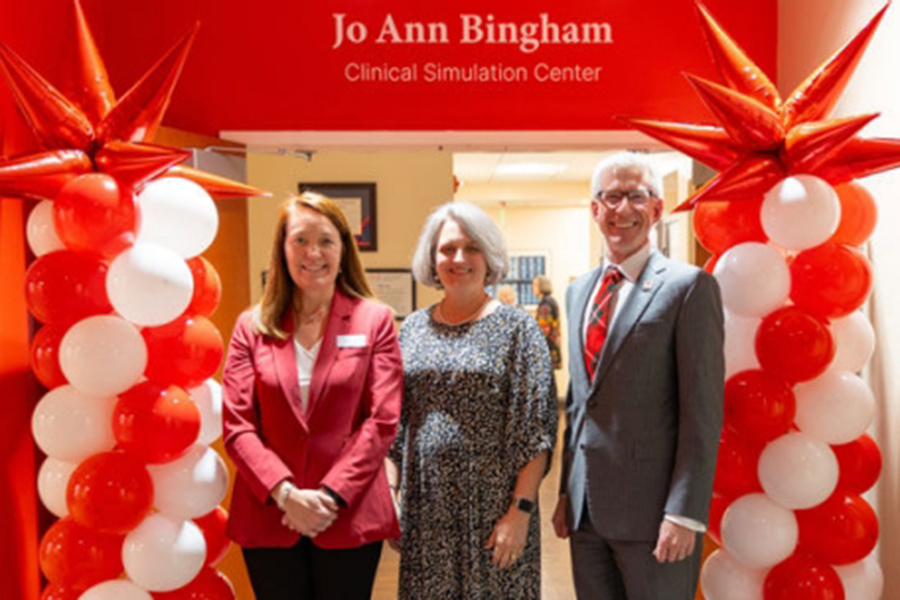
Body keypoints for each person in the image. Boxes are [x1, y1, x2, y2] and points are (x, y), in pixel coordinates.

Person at [552, 152, 724, 599]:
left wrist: (685, 513)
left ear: (658, 208)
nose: (622, 209)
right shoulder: (577, 293)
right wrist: (567, 494)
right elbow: (578, 402)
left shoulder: (688, 288)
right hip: (586, 514)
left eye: (636, 196)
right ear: (594, 209)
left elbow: (702, 412)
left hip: (656, 516)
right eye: (610, 197)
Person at [222, 192, 403, 599]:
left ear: (343, 248)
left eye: (325, 240)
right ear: (282, 248)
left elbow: (382, 420)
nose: (313, 253)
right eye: (300, 240)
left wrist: (328, 496)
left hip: (347, 510)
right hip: (270, 514)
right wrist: (286, 494)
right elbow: (238, 426)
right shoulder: (252, 326)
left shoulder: (375, 321)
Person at [386, 202, 558, 599]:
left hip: (496, 511)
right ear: (432, 258)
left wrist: (521, 513)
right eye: (447, 249)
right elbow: (393, 422)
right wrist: (391, 494)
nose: (458, 258)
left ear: (489, 256)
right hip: (426, 511)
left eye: (471, 248)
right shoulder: (412, 329)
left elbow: (537, 432)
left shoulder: (519, 330)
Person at [533, 275, 562, 370]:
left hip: (546, 349)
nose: (532, 287)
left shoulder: (545, 304)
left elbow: (543, 330)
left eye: (535, 284)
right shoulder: (550, 301)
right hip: (550, 347)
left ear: (542, 286)